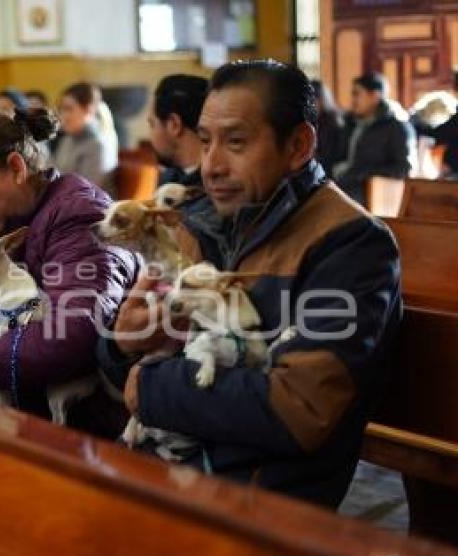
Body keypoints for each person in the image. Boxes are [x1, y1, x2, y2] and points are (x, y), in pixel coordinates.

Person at [97, 59, 401, 509]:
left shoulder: (351, 246)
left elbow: (298, 409)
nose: (210, 166)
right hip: (163, 476)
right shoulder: (197, 225)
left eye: (235, 142)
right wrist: (122, 346)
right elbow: (122, 366)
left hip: (253, 506)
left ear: (298, 145)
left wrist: (150, 384)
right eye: (205, 142)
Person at [0, 107, 138, 433]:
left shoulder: (79, 215)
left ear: (16, 168)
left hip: (92, 425)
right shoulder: (7, 225)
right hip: (39, 414)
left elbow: (70, 336)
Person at [333, 72, 416, 204]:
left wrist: (363, 174)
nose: (353, 100)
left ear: (375, 96)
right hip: (343, 182)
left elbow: (403, 168)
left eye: (357, 94)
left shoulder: (396, 128)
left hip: (373, 191)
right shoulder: (350, 123)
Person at [52, 82, 118, 193]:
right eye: (61, 109)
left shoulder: (98, 144)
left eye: (69, 109)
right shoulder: (68, 139)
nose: (62, 115)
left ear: (88, 110)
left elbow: (88, 191)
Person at [148, 74, 208, 188]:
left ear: (174, 124)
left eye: (152, 124)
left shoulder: (218, 188)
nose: (149, 135)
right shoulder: (169, 178)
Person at [310, 80, 347, 178]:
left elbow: (329, 156)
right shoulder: (313, 120)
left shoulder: (333, 122)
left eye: (312, 101)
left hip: (330, 172)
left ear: (321, 100)